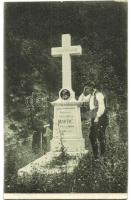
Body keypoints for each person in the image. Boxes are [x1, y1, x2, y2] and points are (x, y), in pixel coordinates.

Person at [79, 82, 108, 159]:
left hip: (101, 117)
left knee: (100, 136)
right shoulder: (91, 95)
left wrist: (97, 117)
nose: (86, 90)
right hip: (94, 117)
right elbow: (80, 101)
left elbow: (102, 108)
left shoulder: (98, 95)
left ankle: (102, 156)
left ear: (92, 87)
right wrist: (83, 92)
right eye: (85, 88)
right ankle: (97, 157)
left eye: (87, 88)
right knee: (92, 136)